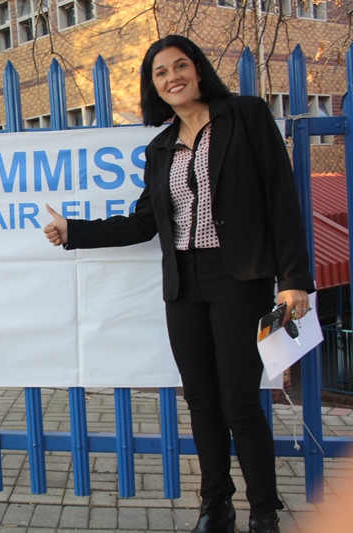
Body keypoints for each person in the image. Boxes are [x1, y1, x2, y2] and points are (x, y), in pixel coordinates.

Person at [44, 35, 314, 533]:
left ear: (198, 69)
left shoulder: (246, 116)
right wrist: (74, 231)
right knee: (201, 401)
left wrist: (294, 279)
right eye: (161, 72)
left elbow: (280, 197)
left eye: (180, 66)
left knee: (240, 403)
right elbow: (144, 222)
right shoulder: (160, 148)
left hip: (239, 280)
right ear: (154, 86)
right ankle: (216, 507)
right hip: (183, 286)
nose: (173, 77)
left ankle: (264, 513)